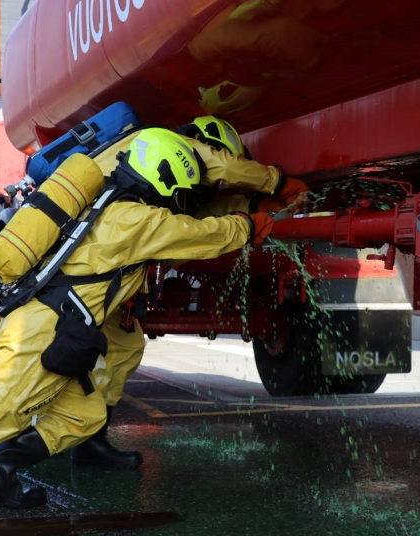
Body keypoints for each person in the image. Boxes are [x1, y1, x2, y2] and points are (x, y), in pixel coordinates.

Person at [0, 128, 274, 527]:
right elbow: (207, 235)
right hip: (42, 332)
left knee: (81, 414)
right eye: (185, 190)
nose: (186, 199)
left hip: (51, 324)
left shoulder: (109, 204)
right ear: (167, 182)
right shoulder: (138, 220)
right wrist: (251, 222)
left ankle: (0, 467)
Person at [45, 116, 309, 470]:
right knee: (35, 364)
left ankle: (88, 441)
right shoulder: (182, 148)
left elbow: (193, 216)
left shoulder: (146, 169)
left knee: (123, 346)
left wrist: (246, 209)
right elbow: (214, 188)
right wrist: (276, 182)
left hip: (95, 264)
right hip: (76, 272)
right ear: (209, 143)